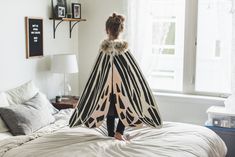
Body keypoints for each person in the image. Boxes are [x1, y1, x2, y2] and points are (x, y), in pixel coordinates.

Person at [69, 13, 162, 141]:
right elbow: (132, 71)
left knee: (110, 112)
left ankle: (111, 133)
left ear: (107, 30)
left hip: (107, 91)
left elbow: (98, 73)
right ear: (121, 29)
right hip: (123, 89)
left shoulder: (104, 51)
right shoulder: (124, 51)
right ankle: (119, 133)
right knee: (126, 107)